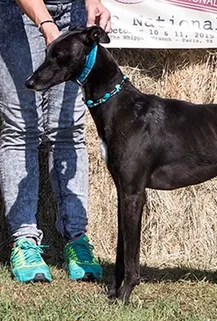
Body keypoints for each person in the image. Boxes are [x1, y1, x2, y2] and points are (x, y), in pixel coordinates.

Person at [0, 0, 111, 282]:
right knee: (21, 127)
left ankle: (77, 238)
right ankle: (24, 241)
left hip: (71, 12)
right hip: (18, 12)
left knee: (69, 129)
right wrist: (46, 24)